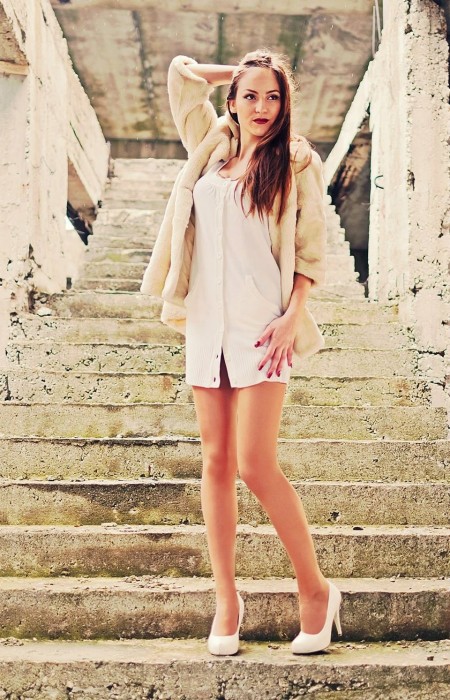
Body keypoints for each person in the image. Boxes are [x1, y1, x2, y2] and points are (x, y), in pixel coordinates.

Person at [140, 50, 342, 656]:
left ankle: (316, 591)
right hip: (207, 323)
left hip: (262, 327)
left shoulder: (296, 161)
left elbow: (310, 251)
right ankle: (227, 600)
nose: (262, 107)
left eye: (273, 96)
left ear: (285, 104)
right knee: (215, 462)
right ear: (231, 101)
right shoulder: (211, 147)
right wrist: (240, 71)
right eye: (250, 96)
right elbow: (179, 75)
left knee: (255, 464)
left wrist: (292, 316)